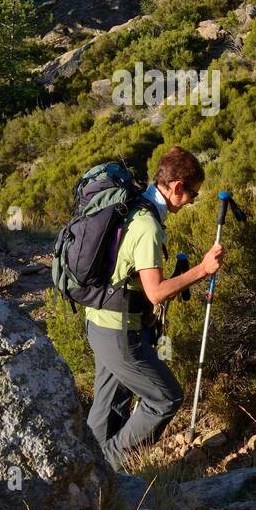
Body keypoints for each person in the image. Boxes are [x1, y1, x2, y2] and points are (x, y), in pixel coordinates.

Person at [84, 145, 224, 469]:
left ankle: (87, 477)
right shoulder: (146, 224)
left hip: (100, 323)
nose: (192, 201)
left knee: (108, 412)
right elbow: (155, 293)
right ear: (177, 187)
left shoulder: (137, 206)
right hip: (119, 332)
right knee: (166, 398)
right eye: (192, 194)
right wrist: (202, 270)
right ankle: (109, 467)